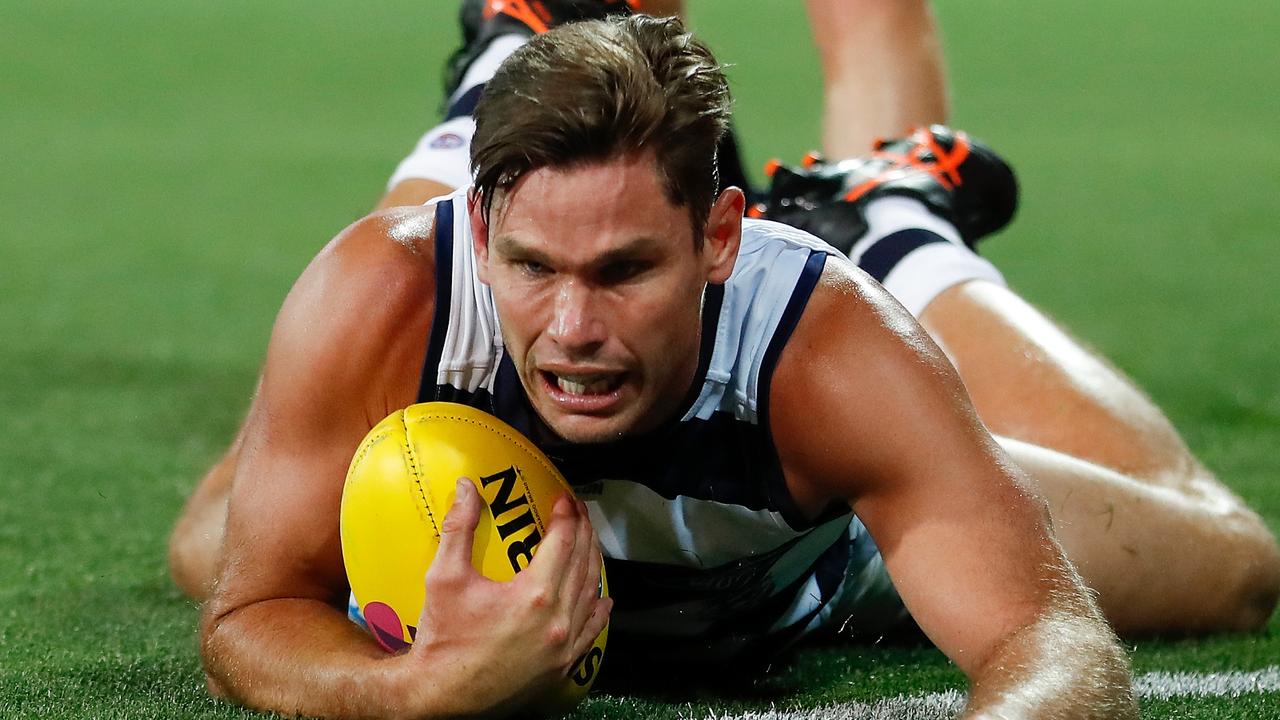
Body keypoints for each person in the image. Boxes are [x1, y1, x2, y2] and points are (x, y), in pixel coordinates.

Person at [172, 10, 1280, 720]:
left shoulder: (822, 345)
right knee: (209, 546)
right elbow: (251, 616)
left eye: (623, 271)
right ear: (478, 231)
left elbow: (1047, 640)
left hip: (808, 574)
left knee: (1235, 569)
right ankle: (514, 57)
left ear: (716, 239)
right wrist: (418, 690)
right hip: (437, 297)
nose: (570, 328)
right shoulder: (388, 295)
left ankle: (889, 213)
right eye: (531, 265)